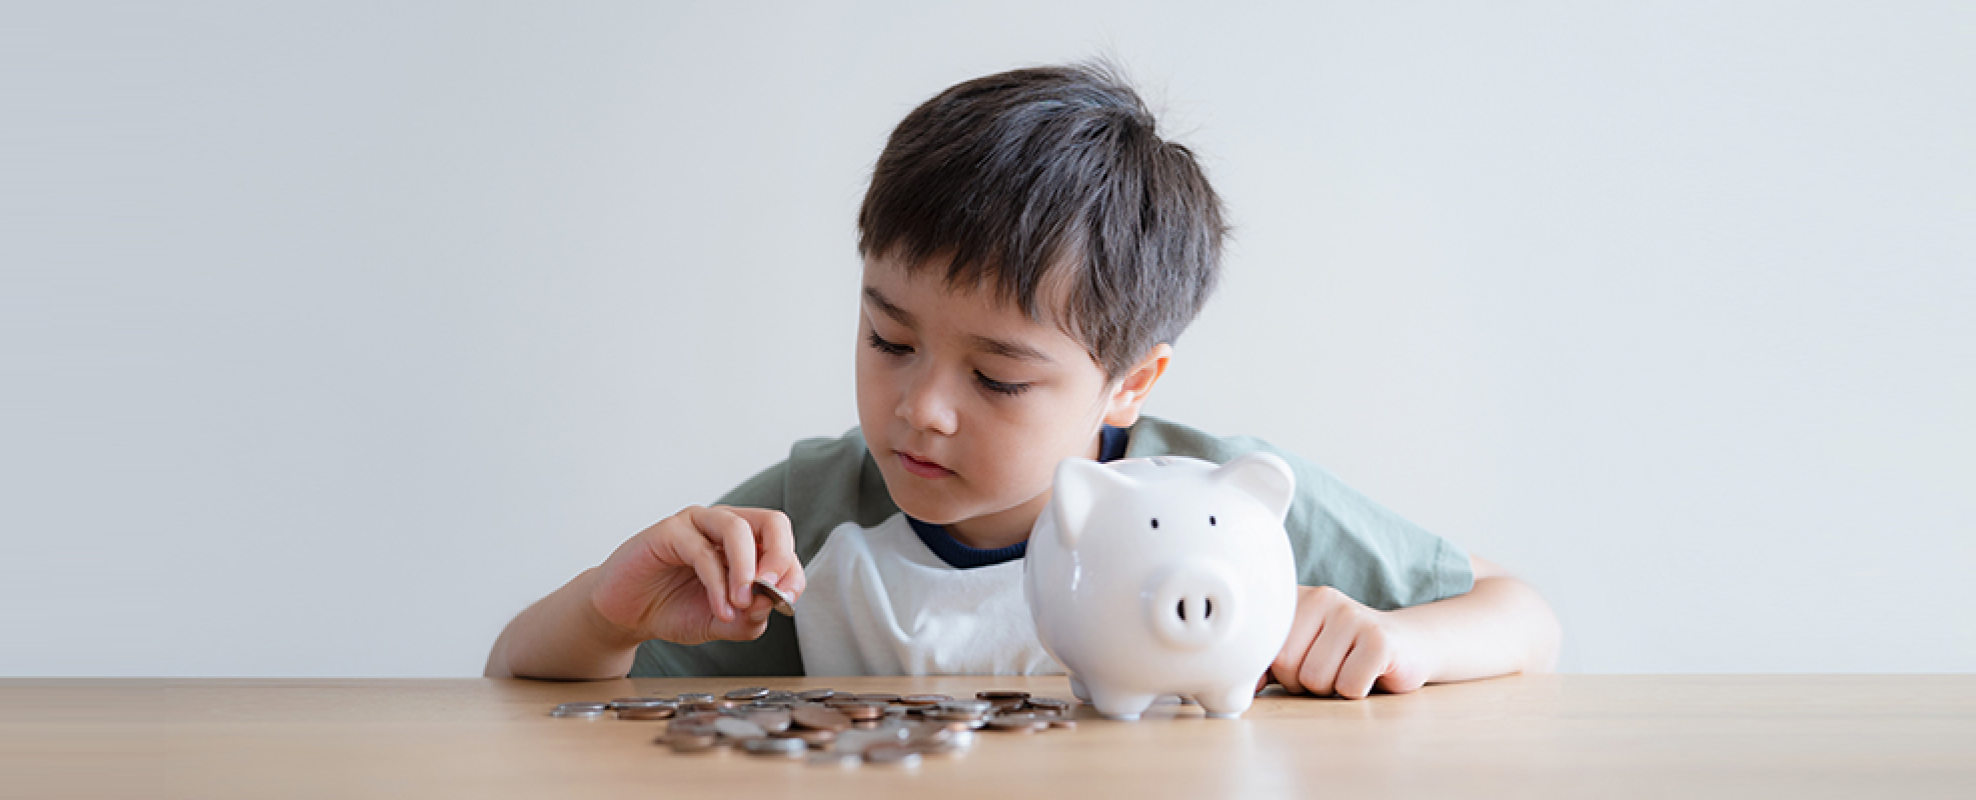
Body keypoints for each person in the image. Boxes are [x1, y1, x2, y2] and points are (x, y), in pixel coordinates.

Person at [483, 62, 1559, 698]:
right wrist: (606, 613)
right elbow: (517, 683)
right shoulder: (810, 513)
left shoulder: (1225, 503)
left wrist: (1401, 638)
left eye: (999, 378)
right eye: (888, 340)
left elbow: (1523, 615)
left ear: (1131, 382)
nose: (922, 406)